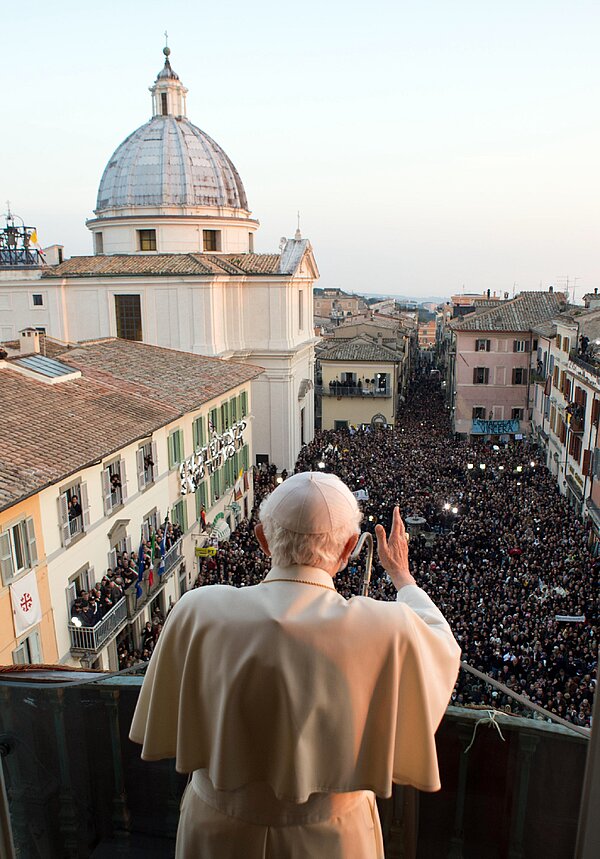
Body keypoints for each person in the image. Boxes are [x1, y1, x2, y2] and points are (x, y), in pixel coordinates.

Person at [130, 472, 461, 859]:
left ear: (263, 539)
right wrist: (401, 575)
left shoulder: (196, 610)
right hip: (331, 841)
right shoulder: (386, 627)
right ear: (350, 547)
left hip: (216, 833)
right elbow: (442, 643)